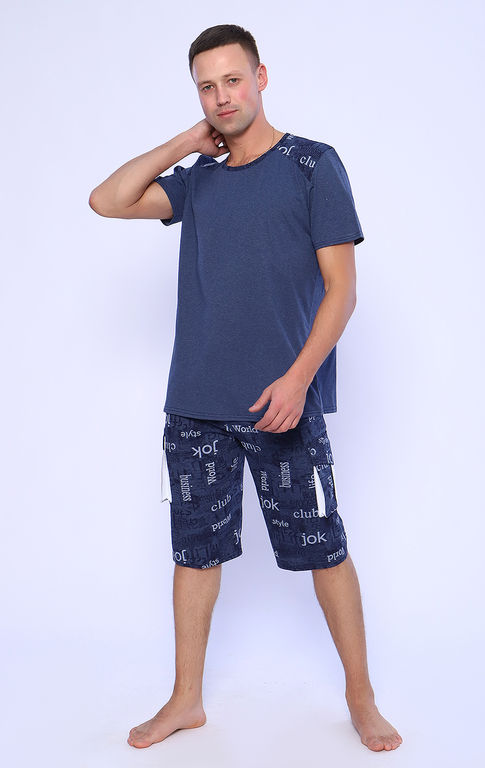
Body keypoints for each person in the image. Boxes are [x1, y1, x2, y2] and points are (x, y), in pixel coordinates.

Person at [89, 23, 402, 753]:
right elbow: (106, 200)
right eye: (207, 86)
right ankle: (186, 700)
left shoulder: (312, 164)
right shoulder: (197, 180)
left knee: (323, 547)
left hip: (281, 403)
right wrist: (184, 143)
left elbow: (342, 290)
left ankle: (361, 697)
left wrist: (299, 379)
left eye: (233, 80)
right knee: (193, 554)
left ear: (261, 77)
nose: (222, 96)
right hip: (195, 404)